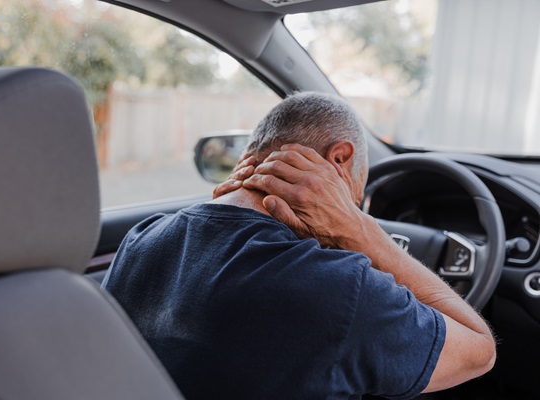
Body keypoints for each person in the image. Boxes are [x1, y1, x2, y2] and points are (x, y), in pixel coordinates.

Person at [103, 92, 495, 400]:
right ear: (340, 159)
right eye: (354, 199)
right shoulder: (339, 288)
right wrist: (361, 232)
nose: (351, 210)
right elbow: (479, 351)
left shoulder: (143, 240)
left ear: (248, 160)